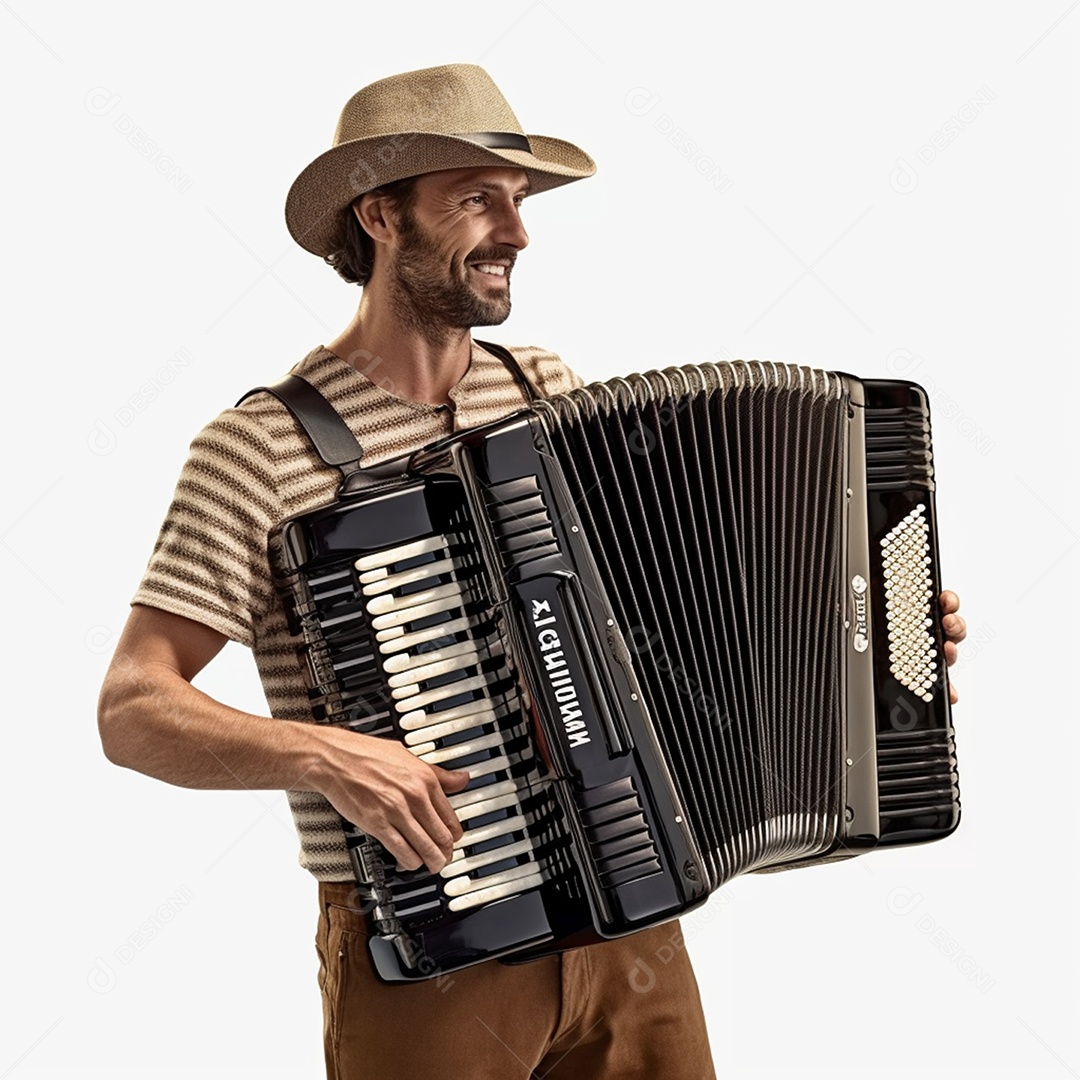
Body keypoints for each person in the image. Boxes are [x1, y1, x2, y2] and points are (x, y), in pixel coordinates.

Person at [97, 64, 966, 1080]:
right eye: (476, 202)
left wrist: (861, 646)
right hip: (434, 944)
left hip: (631, 922)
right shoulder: (259, 448)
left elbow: (663, 613)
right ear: (380, 217)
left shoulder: (545, 391)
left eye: (516, 204)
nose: (515, 234)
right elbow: (132, 706)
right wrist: (324, 754)